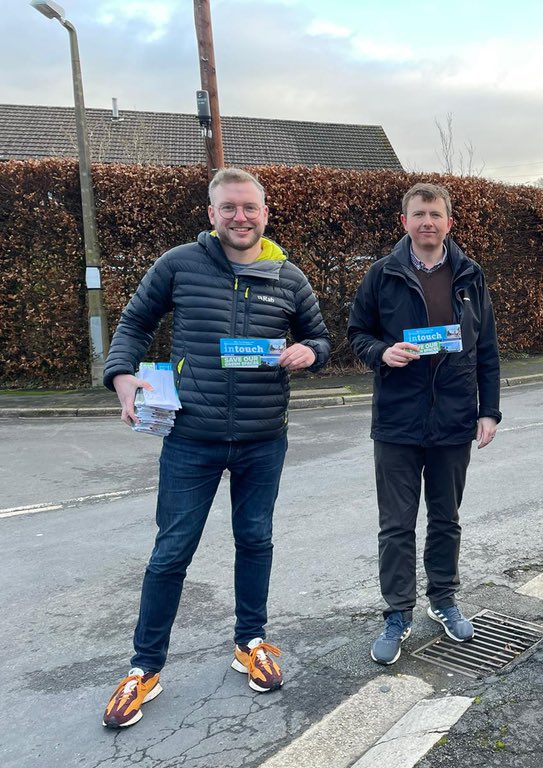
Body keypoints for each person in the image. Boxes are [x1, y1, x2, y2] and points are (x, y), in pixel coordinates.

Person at [100, 168, 331, 727]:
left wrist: (311, 354)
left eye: (249, 208)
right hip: (191, 438)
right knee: (172, 550)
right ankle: (144, 668)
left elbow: (321, 337)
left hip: (262, 439)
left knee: (255, 540)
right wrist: (121, 375)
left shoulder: (289, 276)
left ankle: (250, 641)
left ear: (265, 213)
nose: (240, 217)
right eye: (229, 207)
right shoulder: (180, 264)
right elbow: (133, 322)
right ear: (211, 213)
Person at [347, 182, 501, 665]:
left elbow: (488, 352)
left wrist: (488, 410)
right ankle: (397, 613)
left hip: (453, 420)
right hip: (396, 422)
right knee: (395, 526)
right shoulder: (382, 275)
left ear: (449, 223)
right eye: (419, 214)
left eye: (435, 214)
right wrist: (380, 352)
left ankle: (444, 600)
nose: (427, 222)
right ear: (405, 222)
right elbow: (357, 333)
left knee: (446, 520)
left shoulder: (471, 277)